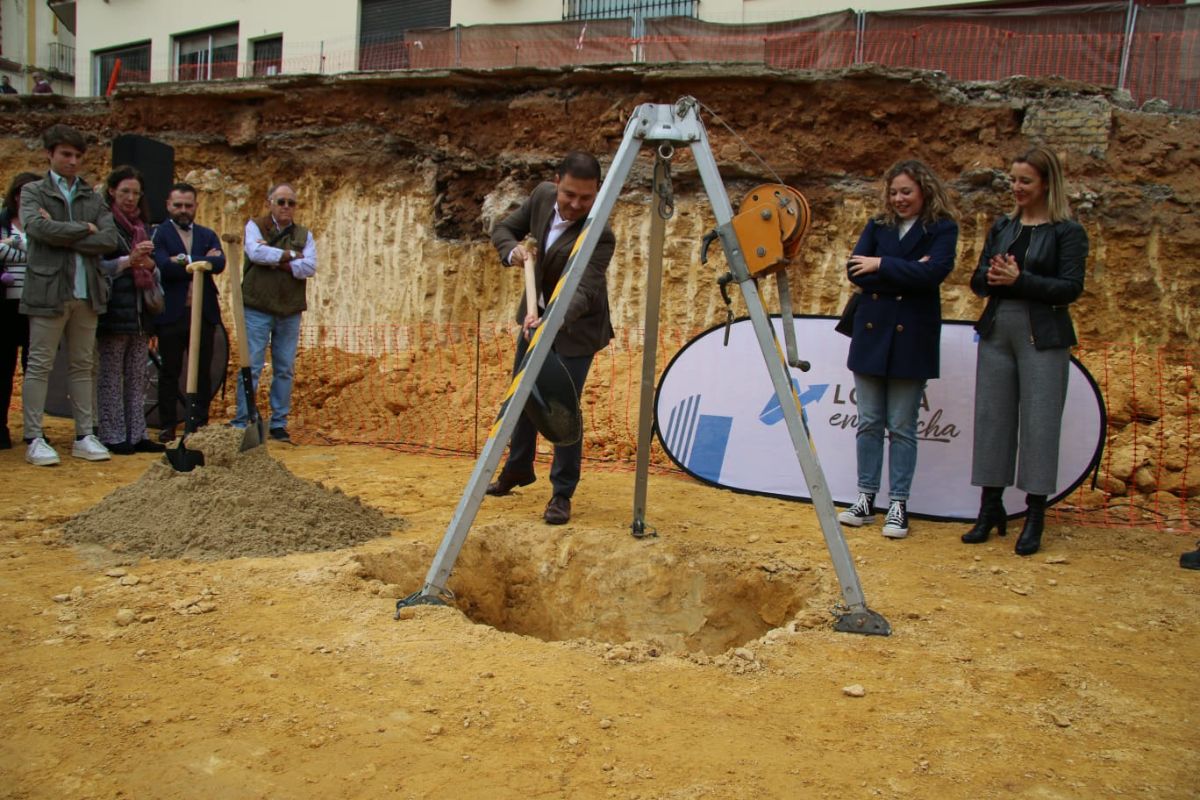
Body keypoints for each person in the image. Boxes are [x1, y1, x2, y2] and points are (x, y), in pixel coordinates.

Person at [962, 146, 1088, 556]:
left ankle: (1035, 516)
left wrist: (1020, 280)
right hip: (998, 331)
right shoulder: (1003, 226)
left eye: (1025, 181)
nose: (1015, 188)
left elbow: (1070, 289)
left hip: (1044, 337)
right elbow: (977, 279)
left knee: (1040, 425)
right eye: (1012, 180)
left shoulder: (1068, 231)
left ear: (1047, 183)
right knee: (992, 420)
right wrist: (993, 278)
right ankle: (990, 507)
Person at [485, 151, 616, 525]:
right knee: (524, 395)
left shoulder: (600, 234)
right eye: (569, 194)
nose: (576, 204)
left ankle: (561, 493)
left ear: (597, 194)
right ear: (557, 183)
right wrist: (512, 253)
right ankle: (518, 469)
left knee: (561, 408)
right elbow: (503, 229)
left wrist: (551, 322)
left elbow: (583, 291)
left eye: (586, 198)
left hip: (574, 330)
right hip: (533, 319)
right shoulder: (542, 196)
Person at [837, 160, 959, 539]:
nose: (899, 198)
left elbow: (935, 273)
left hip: (912, 338)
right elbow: (855, 271)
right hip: (872, 335)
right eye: (894, 192)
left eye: (906, 191)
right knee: (870, 422)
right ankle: (865, 497)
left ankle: (899, 503)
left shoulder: (942, 228)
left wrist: (881, 266)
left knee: (903, 427)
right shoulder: (878, 225)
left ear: (924, 190)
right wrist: (903, 270)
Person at [19, 124, 118, 466]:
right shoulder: (34, 191)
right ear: (50, 154)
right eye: (66, 154)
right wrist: (83, 228)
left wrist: (62, 233)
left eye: (77, 156)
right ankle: (33, 437)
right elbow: (35, 228)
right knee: (40, 364)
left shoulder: (92, 196)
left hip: (86, 291)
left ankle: (84, 434)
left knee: (83, 365)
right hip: (48, 290)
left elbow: (109, 239)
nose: (72, 161)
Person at [232, 182, 316, 443]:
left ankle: (278, 423)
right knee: (252, 365)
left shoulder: (305, 234)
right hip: (257, 306)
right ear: (270, 202)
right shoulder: (255, 226)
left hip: (289, 309)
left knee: (284, 368)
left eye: (291, 202)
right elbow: (255, 253)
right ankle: (243, 419)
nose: (286, 207)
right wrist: (291, 255)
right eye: (281, 201)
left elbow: (310, 266)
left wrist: (276, 259)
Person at [95, 166, 165, 455]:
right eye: (125, 191)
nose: (130, 198)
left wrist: (150, 265)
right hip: (114, 310)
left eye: (136, 193)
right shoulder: (104, 223)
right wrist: (129, 260)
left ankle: (136, 434)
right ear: (112, 191)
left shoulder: (143, 226)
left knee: (137, 375)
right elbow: (98, 267)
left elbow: (153, 268)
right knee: (111, 375)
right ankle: (112, 434)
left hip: (139, 312)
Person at [151, 182, 225, 440]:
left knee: (203, 371)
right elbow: (162, 266)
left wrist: (182, 260)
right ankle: (168, 425)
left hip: (202, 314)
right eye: (178, 205)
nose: (183, 210)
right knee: (170, 370)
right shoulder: (160, 234)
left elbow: (219, 263)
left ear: (195, 206)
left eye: (188, 205)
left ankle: (199, 425)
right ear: (168, 206)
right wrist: (200, 260)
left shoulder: (207, 234)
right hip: (172, 314)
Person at [0, 172, 41, 449]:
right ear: (15, 195)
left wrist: (10, 247)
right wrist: (27, 248)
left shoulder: (42, 222)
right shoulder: (2, 220)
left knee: (35, 370)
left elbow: (47, 253)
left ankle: (34, 430)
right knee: (3, 368)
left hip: (37, 305)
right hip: (4, 306)